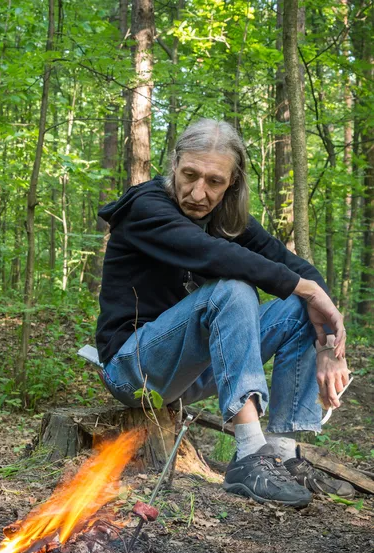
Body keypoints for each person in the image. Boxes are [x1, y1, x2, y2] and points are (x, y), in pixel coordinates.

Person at [96, 118, 353, 507]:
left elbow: (296, 269)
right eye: (189, 175)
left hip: (193, 372)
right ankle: (250, 455)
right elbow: (214, 255)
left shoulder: (227, 221)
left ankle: (282, 452)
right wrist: (302, 287)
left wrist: (328, 346)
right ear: (175, 165)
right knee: (234, 289)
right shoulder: (146, 208)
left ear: (231, 182)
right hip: (133, 370)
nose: (198, 192)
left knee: (300, 302)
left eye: (214, 182)